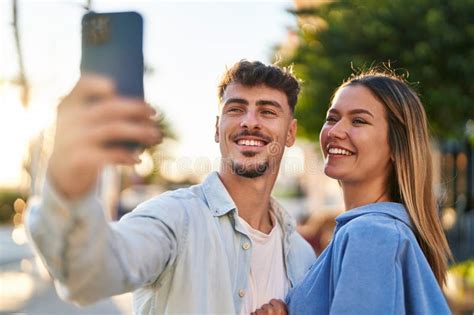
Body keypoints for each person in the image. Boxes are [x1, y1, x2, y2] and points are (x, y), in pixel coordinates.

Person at [25, 60, 316, 314]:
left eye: (267, 112)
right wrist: (68, 180)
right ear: (218, 129)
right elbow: (86, 275)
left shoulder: (302, 256)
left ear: (290, 133)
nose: (249, 122)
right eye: (236, 109)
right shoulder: (175, 219)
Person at [255, 70, 452, 314]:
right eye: (332, 118)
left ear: (396, 147)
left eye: (358, 121)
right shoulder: (378, 231)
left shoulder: (370, 235)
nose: (335, 131)